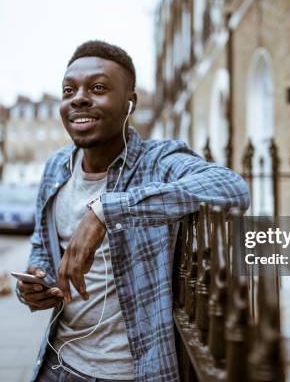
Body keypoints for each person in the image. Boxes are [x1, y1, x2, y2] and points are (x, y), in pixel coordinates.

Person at [16, 40, 250, 382]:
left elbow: (232, 189)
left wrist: (107, 211)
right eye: (69, 90)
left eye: (98, 88)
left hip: (132, 372)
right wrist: (36, 281)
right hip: (58, 363)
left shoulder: (158, 162)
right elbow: (42, 244)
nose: (78, 98)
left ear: (130, 102)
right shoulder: (56, 167)